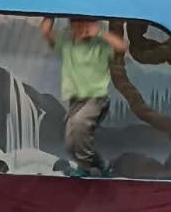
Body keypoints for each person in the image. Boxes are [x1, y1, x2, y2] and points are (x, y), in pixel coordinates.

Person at [40, 16, 129, 177]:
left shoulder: (100, 45)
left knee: (79, 123)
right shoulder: (66, 44)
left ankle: (85, 166)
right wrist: (50, 10)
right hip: (76, 101)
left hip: (96, 99)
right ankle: (99, 164)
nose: (80, 28)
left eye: (84, 24)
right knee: (71, 143)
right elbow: (45, 31)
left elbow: (122, 47)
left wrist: (99, 33)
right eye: (76, 24)